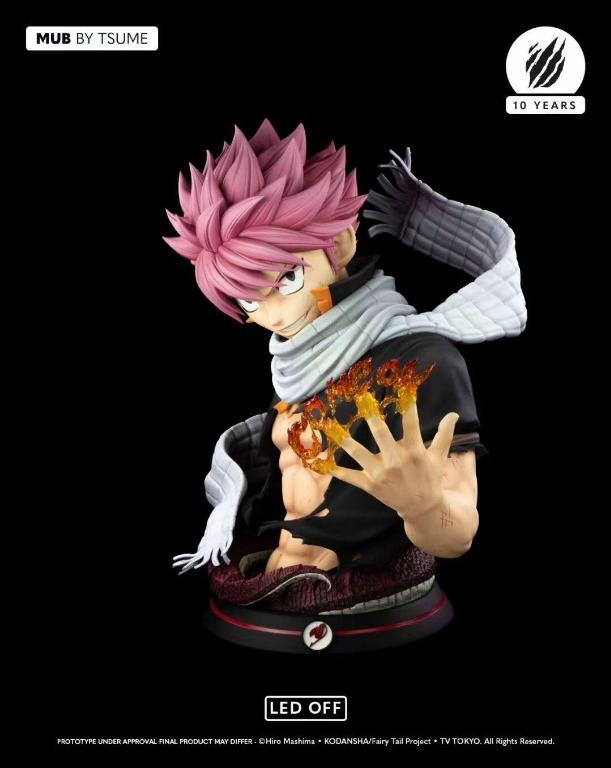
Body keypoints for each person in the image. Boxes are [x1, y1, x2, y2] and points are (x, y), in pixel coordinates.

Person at [164, 119, 526, 652]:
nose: (273, 315)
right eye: (247, 300)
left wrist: (423, 505)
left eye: (287, 279)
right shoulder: (301, 370)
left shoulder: (421, 362)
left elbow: (458, 534)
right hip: (279, 582)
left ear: (340, 242)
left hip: (364, 601)